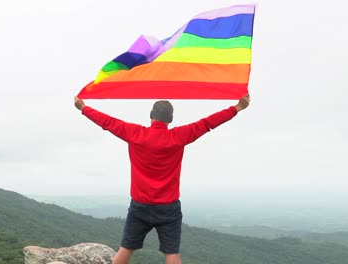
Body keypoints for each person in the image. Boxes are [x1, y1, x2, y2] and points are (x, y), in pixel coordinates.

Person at [74, 94, 250, 264]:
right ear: (170, 119)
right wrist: (238, 107)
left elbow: (107, 122)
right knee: (172, 253)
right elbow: (207, 123)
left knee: (126, 248)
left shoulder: (135, 134)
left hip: (140, 205)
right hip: (168, 207)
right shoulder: (178, 136)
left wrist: (83, 107)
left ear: (151, 116)